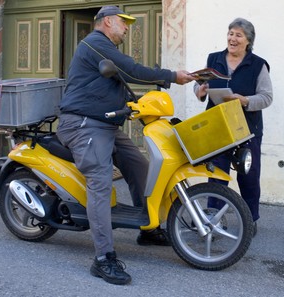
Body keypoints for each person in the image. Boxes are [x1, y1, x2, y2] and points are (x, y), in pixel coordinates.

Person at [57, 6, 195, 285]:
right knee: (100, 181)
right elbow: (128, 69)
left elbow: (114, 78)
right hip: (83, 124)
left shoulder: (104, 48)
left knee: (140, 167)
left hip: (104, 124)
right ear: (108, 22)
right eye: (124, 22)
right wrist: (171, 76)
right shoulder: (95, 42)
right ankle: (103, 258)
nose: (127, 28)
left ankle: (148, 228)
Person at [194, 18, 273, 237]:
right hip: (217, 127)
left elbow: (266, 98)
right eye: (230, 33)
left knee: (248, 176)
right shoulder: (214, 59)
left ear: (248, 41)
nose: (232, 38)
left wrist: (244, 100)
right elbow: (199, 85)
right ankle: (214, 219)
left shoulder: (258, 65)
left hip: (247, 130)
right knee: (217, 175)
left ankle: (250, 219)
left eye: (238, 35)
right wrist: (199, 91)